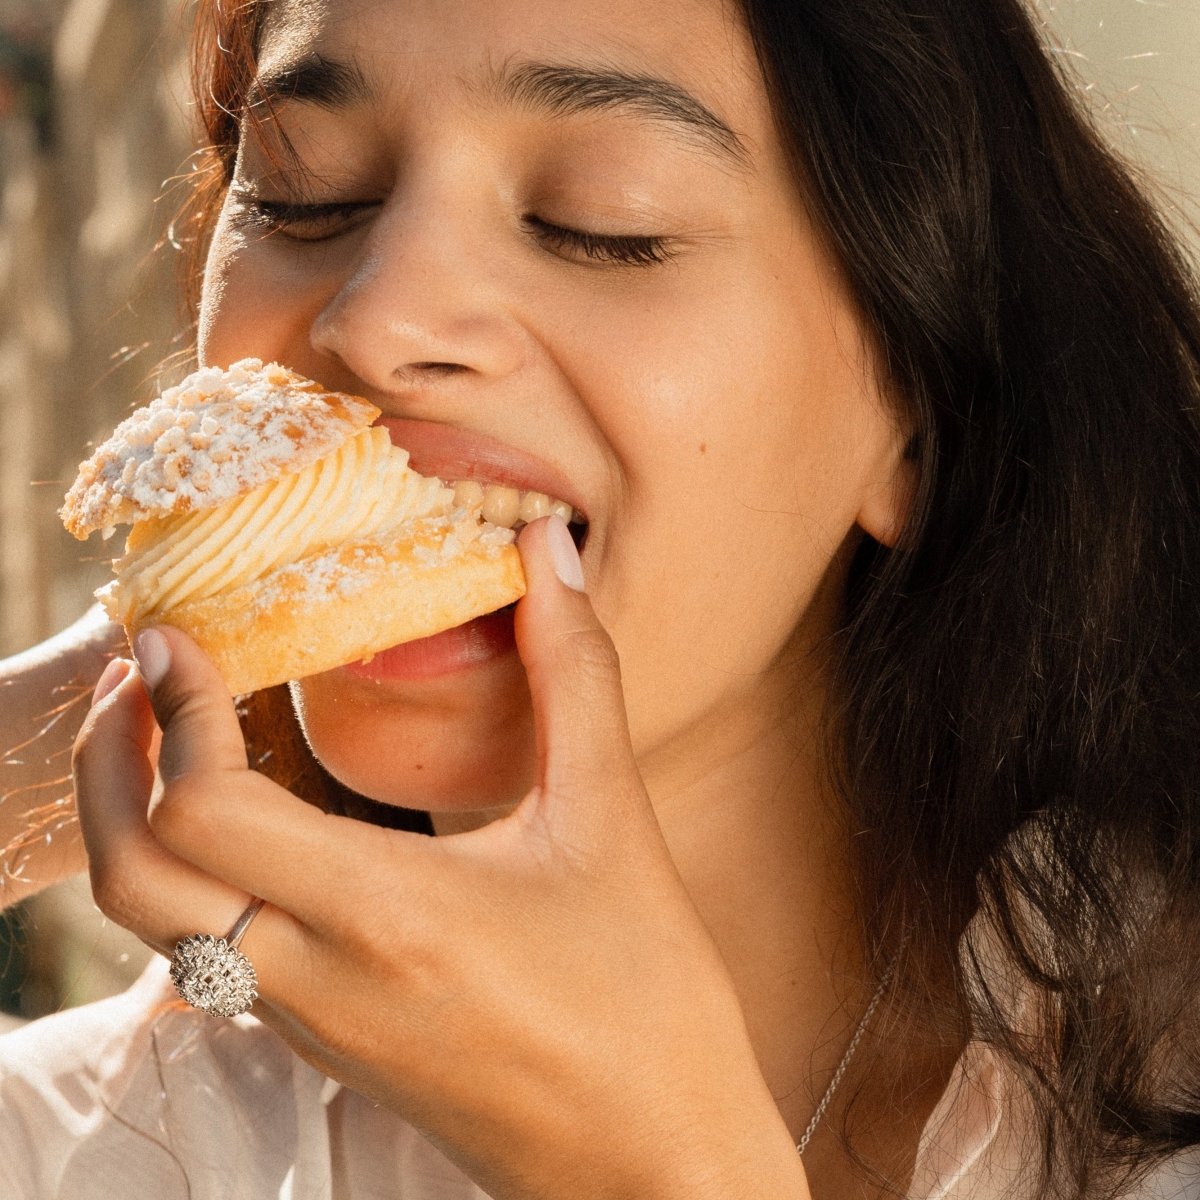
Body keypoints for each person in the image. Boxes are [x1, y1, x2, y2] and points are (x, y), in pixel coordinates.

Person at [2, 0, 1199, 1196]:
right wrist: (74, 713)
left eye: (598, 223)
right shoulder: (87, 1143)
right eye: (305, 192)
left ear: (921, 414)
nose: (374, 320)